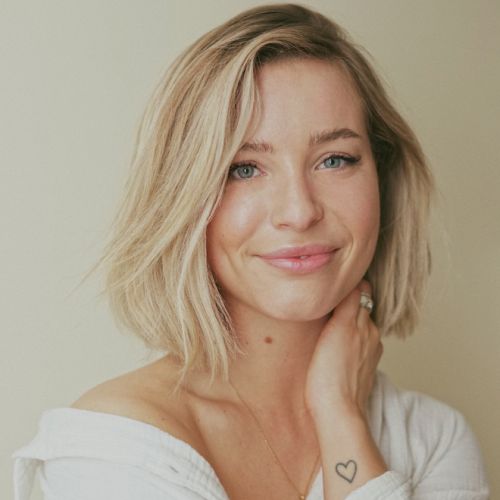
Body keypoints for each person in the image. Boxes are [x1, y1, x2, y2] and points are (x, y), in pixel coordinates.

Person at [13, 4, 490, 500]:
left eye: (334, 160)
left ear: (382, 180)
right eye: (244, 169)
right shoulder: (115, 447)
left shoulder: (433, 438)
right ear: (183, 196)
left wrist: (338, 412)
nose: (299, 211)